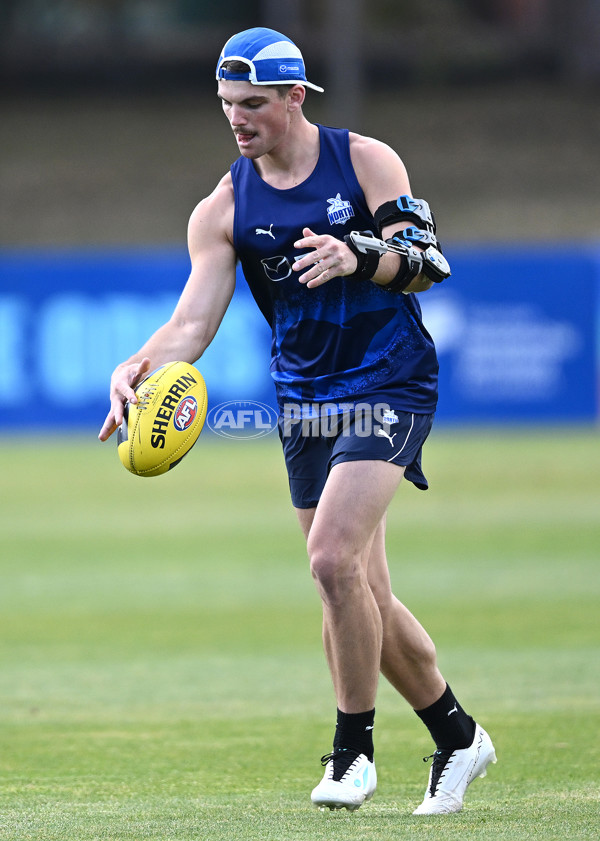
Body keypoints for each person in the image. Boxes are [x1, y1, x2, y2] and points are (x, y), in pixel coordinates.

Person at [98, 26, 496, 815]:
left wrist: (360, 253)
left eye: (252, 105)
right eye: (226, 107)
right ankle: (458, 737)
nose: (238, 121)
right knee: (359, 590)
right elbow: (191, 324)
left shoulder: (366, 161)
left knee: (329, 561)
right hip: (305, 398)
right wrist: (137, 365)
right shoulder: (224, 206)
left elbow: (429, 258)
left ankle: (352, 753)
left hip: (391, 379)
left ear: (295, 97)